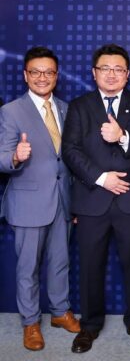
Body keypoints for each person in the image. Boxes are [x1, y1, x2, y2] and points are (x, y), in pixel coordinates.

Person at [62, 44, 130, 353]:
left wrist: (122, 137)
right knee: (90, 266)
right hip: (92, 197)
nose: (112, 74)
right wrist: (103, 178)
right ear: (94, 73)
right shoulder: (79, 106)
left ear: (127, 74)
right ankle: (89, 326)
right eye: (105, 68)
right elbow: (70, 150)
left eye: (118, 69)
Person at [0, 46, 80, 351]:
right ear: (25, 75)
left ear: (56, 76)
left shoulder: (67, 109)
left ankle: (60, 311)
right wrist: (15, 157)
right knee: (28, 268)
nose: (42, 77)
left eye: (48, 72)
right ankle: (30, 322)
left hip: (63, 200)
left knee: (61, 261)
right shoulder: (11, 111)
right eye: (36, 72)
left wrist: (76, 201)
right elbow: (2, 157)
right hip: (28, 202)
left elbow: (69, 159)